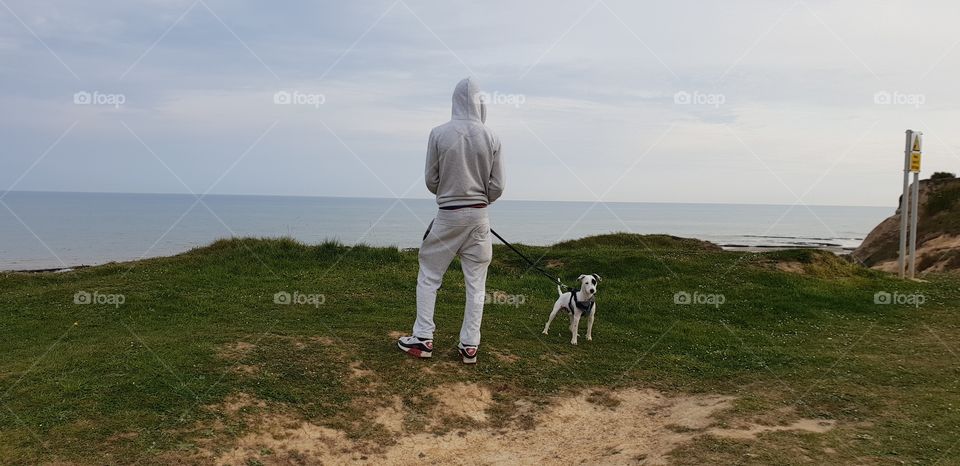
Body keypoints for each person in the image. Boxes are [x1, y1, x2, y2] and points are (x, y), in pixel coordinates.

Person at [397, 77, 505, 364]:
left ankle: (423, 338)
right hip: (480, 216)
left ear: (454, 101)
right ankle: (469, 345)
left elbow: (431, 180)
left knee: (430, 276)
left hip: (447, 214)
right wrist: (479, 203)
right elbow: (498, 186)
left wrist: (449, 193)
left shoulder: (438, 134)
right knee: (476, 284)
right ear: (480, 102)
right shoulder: (491, 136)